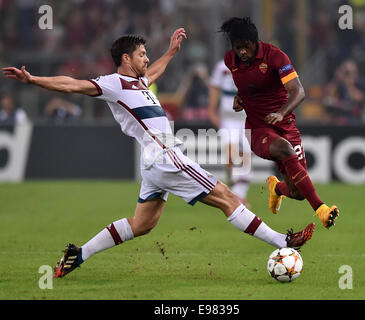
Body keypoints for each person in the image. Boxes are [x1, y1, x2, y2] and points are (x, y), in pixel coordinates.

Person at [2, 28, 314, 279]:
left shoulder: (139, 81)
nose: (146, 58)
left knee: (142, 224)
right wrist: (34, 80)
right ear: (126, 58)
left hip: (152, 163)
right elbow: (71, 85)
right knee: (227, 198)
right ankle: (282, 241)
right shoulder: (113, 84)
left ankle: (79, 254)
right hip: (167, 156)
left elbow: (155, 72)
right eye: (141, 54)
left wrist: (171, 51)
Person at [219, 17, 339, 229]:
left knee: (298, 192)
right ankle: (322, 209)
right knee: (284, 148)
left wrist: (282, 113)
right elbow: (249, 83)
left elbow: (299, 91)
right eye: (237, 48)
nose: (242, 53)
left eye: (246, 47)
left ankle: (276, 189)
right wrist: (241, 97)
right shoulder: (231, 60)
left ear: (254, 42)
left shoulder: (275, 56)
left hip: (285, 125)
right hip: (256, 130)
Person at [208, 59, 251, 206]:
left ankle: (240, 195)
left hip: (247, 118)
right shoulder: (222, 67)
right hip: (228, 119)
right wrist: (212, 112)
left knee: (245, 156)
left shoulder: (254, 65)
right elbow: (214, 88)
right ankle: (234, 189)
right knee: (231, 156)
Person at [322, 59, 365, 125]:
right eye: (346, 73)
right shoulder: (339, 83)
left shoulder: (360, 83)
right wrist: (337, 79)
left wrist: (350, 84)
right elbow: (328, 95)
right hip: (339, 117)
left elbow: (359, 98)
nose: (349, 75)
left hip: (354, 118)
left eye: (351, 72)